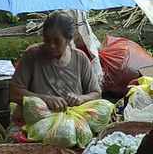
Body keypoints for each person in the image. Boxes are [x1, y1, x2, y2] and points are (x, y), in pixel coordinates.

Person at [7, 11, 102, 140]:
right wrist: (45, 99)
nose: (51, 46)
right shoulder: (33, 55)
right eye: (47, 39)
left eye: (57, 41)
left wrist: (80, 99)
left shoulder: (80, 58)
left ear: (69, 40)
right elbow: (13, 93)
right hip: (36, 124)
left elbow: (96, 93)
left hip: (70, 125)